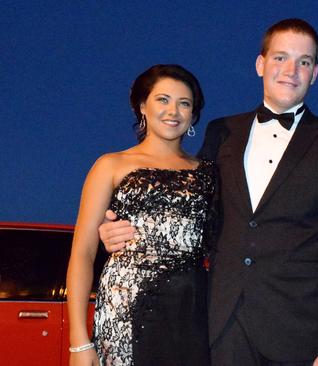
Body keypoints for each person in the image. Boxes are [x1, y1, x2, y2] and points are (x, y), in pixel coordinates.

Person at [100, 18, 318, 366]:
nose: (291, 70)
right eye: (280, 58)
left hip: (298, 334)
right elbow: (190, 210)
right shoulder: (222, 131)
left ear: (315, 72)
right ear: (260, 64)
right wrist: (123, 230)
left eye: (304, 61)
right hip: (222, 328)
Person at [66, 64, 214, 366]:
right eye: (163, 99)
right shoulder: (111, 165)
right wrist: (79, 343)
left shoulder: (209, 173)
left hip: (192, 309)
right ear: (142, 105)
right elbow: (82, 252)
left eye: (184, 103)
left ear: (193, 115)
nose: (173, 111)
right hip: (126, 306)